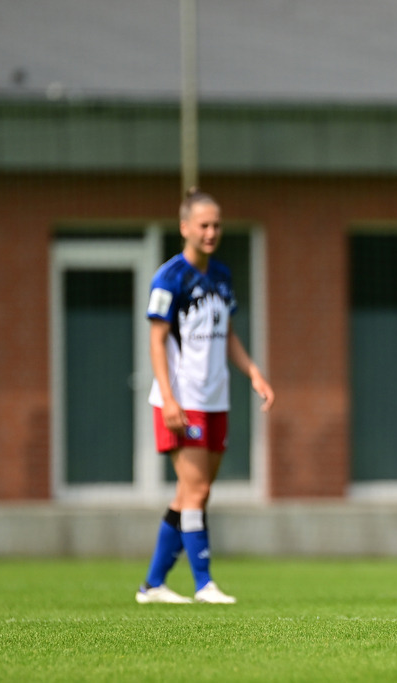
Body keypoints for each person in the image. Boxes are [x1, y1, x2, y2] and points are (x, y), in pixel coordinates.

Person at [136, 188, 275, 605]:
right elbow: (157, 341)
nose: (212, 231)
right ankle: (203, 584)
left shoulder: (222, 276)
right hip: (182, 400)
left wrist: (253, 373)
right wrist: (171, 399)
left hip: (216, 399)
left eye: (217, 225)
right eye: (204, 225)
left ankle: (153, 585)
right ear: (185, 228)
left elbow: (227, 333)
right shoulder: (169, 277)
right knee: (195, 491)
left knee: (193, 492)